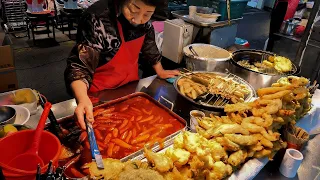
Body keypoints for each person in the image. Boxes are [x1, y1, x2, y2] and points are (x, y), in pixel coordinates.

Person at [64, 0, 180, 129]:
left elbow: (149, 43)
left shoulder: (144, 22)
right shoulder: (98, 18)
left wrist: (160, 70)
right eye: (133, 10)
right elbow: (80, 65)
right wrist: (82, 98)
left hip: (129, 89)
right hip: (98, 94)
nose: (137, 20)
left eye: (147, 14)